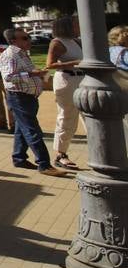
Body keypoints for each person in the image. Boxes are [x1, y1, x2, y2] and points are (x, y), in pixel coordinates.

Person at [0, 28, 68, 177]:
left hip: (28, 97)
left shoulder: (23, 54)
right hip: (19, 97)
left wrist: (38, 75)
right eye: (24, 38)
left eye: (28, 37)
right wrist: (32, 74)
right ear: (13, 41)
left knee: (22, 129)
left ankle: (19, 158)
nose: (29, 40)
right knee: (32, 130)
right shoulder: (10, 55)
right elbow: (9, 77)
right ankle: (44, 164)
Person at [46, 15, 83, 169]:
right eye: (76, 24)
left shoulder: (77, 41)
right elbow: (50, 65)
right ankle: (60, 154)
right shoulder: (57, 42)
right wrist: (74, 63)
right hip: (67, 80)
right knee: (67, 116)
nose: (79, 26)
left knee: (90, 116)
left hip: (82, 79)